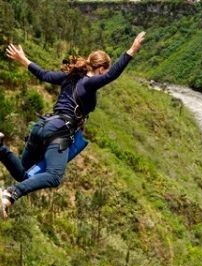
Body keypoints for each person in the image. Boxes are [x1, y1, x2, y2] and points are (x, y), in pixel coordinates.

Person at [0, 31, 146, 219]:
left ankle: (1, 148)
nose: (105, 74)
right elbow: (112, 76)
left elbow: (44, 74)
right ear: (101, 68)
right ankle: (10, 194)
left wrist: (24, 59)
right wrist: (132, 51)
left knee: (22, 173)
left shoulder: (68, 77)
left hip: (42, 126)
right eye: (104, 70)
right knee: (54, 177)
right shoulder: (90, 82)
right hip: (59, 132)